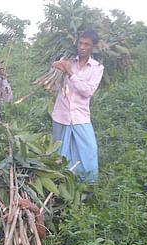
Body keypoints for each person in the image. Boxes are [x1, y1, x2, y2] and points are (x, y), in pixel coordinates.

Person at [50, 29, 105, 182]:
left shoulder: (97, 68)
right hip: (61, 115)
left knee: (89, 149)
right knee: (60, 153)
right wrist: (55, 68)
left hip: (80, 116)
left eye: (86, 44)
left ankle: (87, 184)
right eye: (80, 43)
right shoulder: (67, 60)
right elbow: (54, 84)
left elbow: (87, 91)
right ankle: (61, 184)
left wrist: (70, 74)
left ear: (93, 47)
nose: (82, 47)